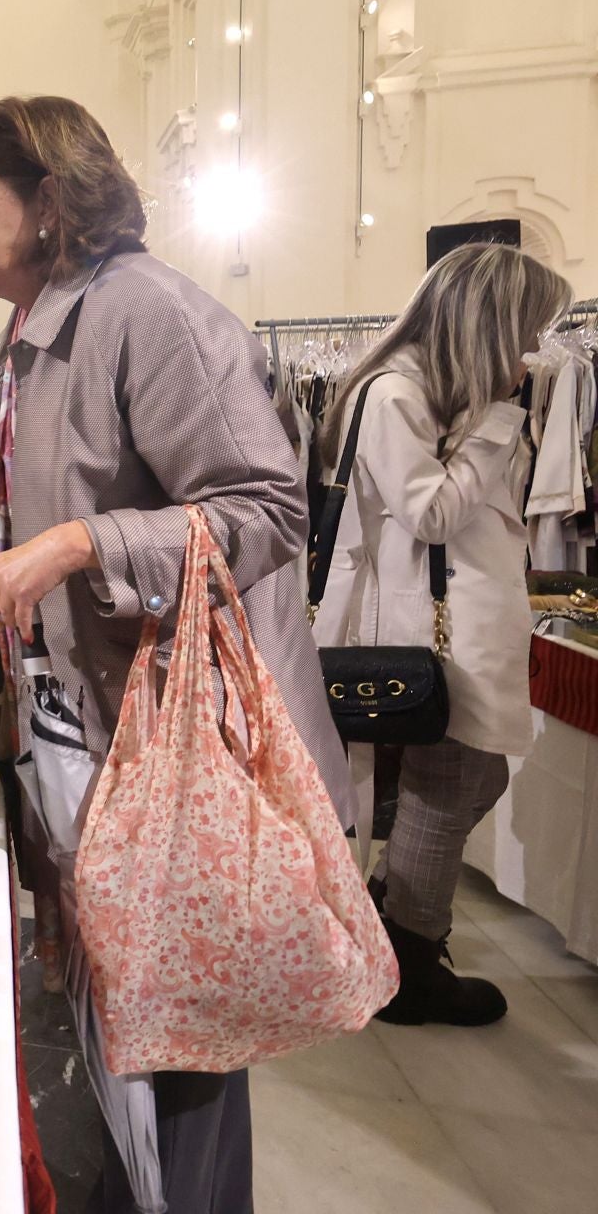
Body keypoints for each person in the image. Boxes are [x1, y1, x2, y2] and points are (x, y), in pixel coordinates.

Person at [0, 95, 350, 1214]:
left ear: (48, 202)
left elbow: (267, 507)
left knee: (181, 1033)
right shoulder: (21, 340)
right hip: (80, 735)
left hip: (169, 752)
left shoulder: (147, 314)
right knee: (115, 1015)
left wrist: (81, 542)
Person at [312, 243, 571, 1027]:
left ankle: (395, 918)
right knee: (450, 783)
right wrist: (497, 421)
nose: (533, 348)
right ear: (491, 322)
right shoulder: (397, 393)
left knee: (470, 781)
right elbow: (429, 514)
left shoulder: (436, 393)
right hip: (434, 634)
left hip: (458, 629)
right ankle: (411, 960)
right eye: (528, 327)